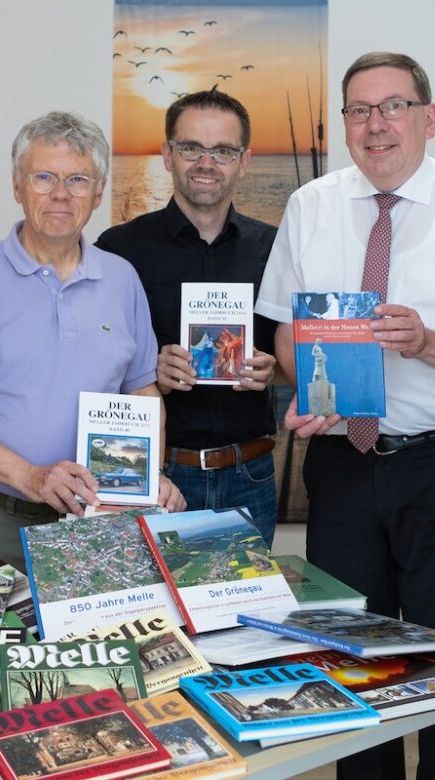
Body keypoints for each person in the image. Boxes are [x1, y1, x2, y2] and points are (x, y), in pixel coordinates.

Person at [255, 52, 435, 780]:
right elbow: (282, 326)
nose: (376, 125)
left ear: (428, 118)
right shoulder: (312, 206)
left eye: (393, 106)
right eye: (360, 111)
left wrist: (428, 343)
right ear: (344, 125)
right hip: (340, 463)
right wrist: (303, 383)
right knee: (349, 655)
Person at [0, 111, 185, 572]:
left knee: (94, 644)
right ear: (17, 186)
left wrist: (151, 476)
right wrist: (30, 477)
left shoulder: (122, 279)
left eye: (78, 179)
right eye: (44, 177)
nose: (61, 194)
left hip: (97, 523)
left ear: (99, 191)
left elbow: (142, 391)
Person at [96, 90, 280, 545]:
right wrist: (148, 371)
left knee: (243, 616)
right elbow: (91, 363)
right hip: (157, 474)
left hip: (249, 475)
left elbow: (294, 350)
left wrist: (273, 369)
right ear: (167, 155)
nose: (206, 162)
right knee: (154, 615)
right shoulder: (119, 249)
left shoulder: (275, 248)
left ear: (244, 161)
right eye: (191, 148)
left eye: (222, 150)